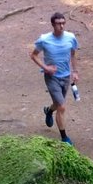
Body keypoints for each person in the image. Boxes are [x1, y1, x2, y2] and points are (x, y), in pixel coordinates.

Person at [30, 12, 78, 145]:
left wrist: (75, 71)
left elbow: (73, 54)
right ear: (53, 24)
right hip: (52, 78)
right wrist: (45, 67)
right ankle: (64, 138)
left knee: (57, 104)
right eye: (58, 23)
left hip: (66, 76)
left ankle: (48, 111)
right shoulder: (44, 40)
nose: (61, 26)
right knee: (62, 106)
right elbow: (33, 55)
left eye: (63, 23)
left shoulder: (70, 38)